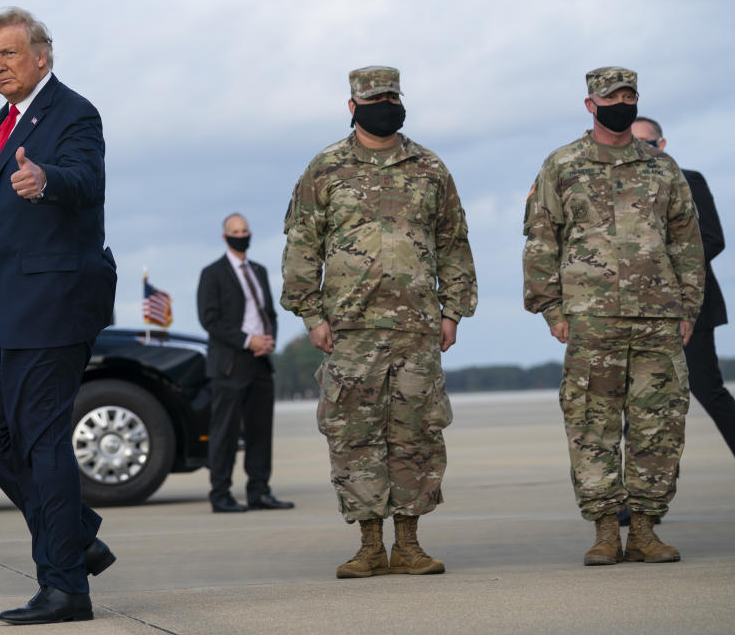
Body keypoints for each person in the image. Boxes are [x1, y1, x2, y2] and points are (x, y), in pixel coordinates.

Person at [0, 7, 117, 625]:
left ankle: (65, 586)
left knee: (43, 441)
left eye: (9, 54)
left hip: (53, 302)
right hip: (1, 309)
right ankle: (75, 533)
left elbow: (86, 177)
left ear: (42, 55)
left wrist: (46, 179)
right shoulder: (3, 120)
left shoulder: (74, 113)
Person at [281, 66, 477, 578]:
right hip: (349, 328)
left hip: (417, 326)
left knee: (417, 435)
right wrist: (311, 314)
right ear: (352, 106)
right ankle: (369, 544)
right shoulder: (325, 169)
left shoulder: (430, 168)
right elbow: (303, 246)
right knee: (354, 436)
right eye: (373, 98)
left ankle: (409, 543)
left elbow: (454, 244)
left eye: (391, 96)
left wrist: (453, 310)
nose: (383, 104)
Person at [523, 67, 704, 566]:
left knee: (659, 426)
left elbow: (686, 242)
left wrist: (687, 308)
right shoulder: (562, 165)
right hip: (590, 320)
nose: (620, 103)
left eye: (629, 96)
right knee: (591, 425)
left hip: (658, 318)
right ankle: (606, 530)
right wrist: (551, 310)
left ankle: (645, 529)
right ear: (590, 104)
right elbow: (541, 241)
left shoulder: (662, 168)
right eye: (611, 97)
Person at [632, 117, 735, 458]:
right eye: (634, 142)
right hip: (634, 312)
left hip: (690, 306)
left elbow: (713, 239)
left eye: (647, 142)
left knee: (708, 391)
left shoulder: (689, 180)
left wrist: (662, 269)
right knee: (640, 403)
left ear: (662, 145)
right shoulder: (616, 188)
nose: (641, 149)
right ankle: (641, 501)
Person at [197, 213, 294, 513]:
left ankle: (259, 491)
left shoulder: (260, 271)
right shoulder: (212, 273)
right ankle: (221, 494)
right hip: (230, 363)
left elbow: (271, 315)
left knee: (260, 432)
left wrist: (267, 340)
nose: (242, 235)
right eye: (236, 231)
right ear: (226, 237)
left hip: (261, 362)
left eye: (245, 230)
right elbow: (209, 319)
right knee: (225, 432)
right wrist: (246, 340)